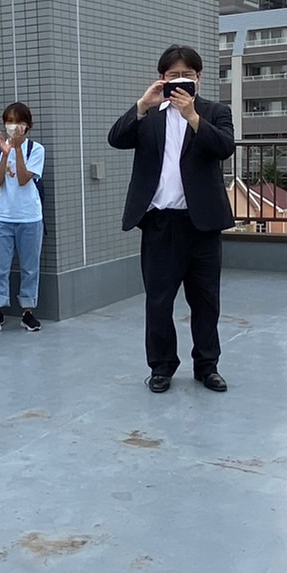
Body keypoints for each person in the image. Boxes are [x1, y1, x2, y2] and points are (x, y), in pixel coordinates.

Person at [107, 44, 235, 393]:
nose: (180, 81)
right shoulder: (150, 116)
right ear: (161, 78)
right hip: (160, 223)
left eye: (187, 76)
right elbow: (115, 139)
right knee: (159, 301)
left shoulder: (215, 111)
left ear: (199, 78)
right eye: (173, 76)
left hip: (202, 224)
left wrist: (193, 116)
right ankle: (161, 366)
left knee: (206, 301)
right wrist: (142, 105)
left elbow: (225, 146)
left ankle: (207, 366)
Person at [0, 102, 45, 335]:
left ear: (28, 125)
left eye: (18, 122)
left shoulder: (35, 149)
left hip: (30, 217)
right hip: (4, 217)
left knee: (30, 267)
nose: (13, 126)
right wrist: (4, 154)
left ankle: (28, 312)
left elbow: (23, 179)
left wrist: (17, 150)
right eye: (9, 121)